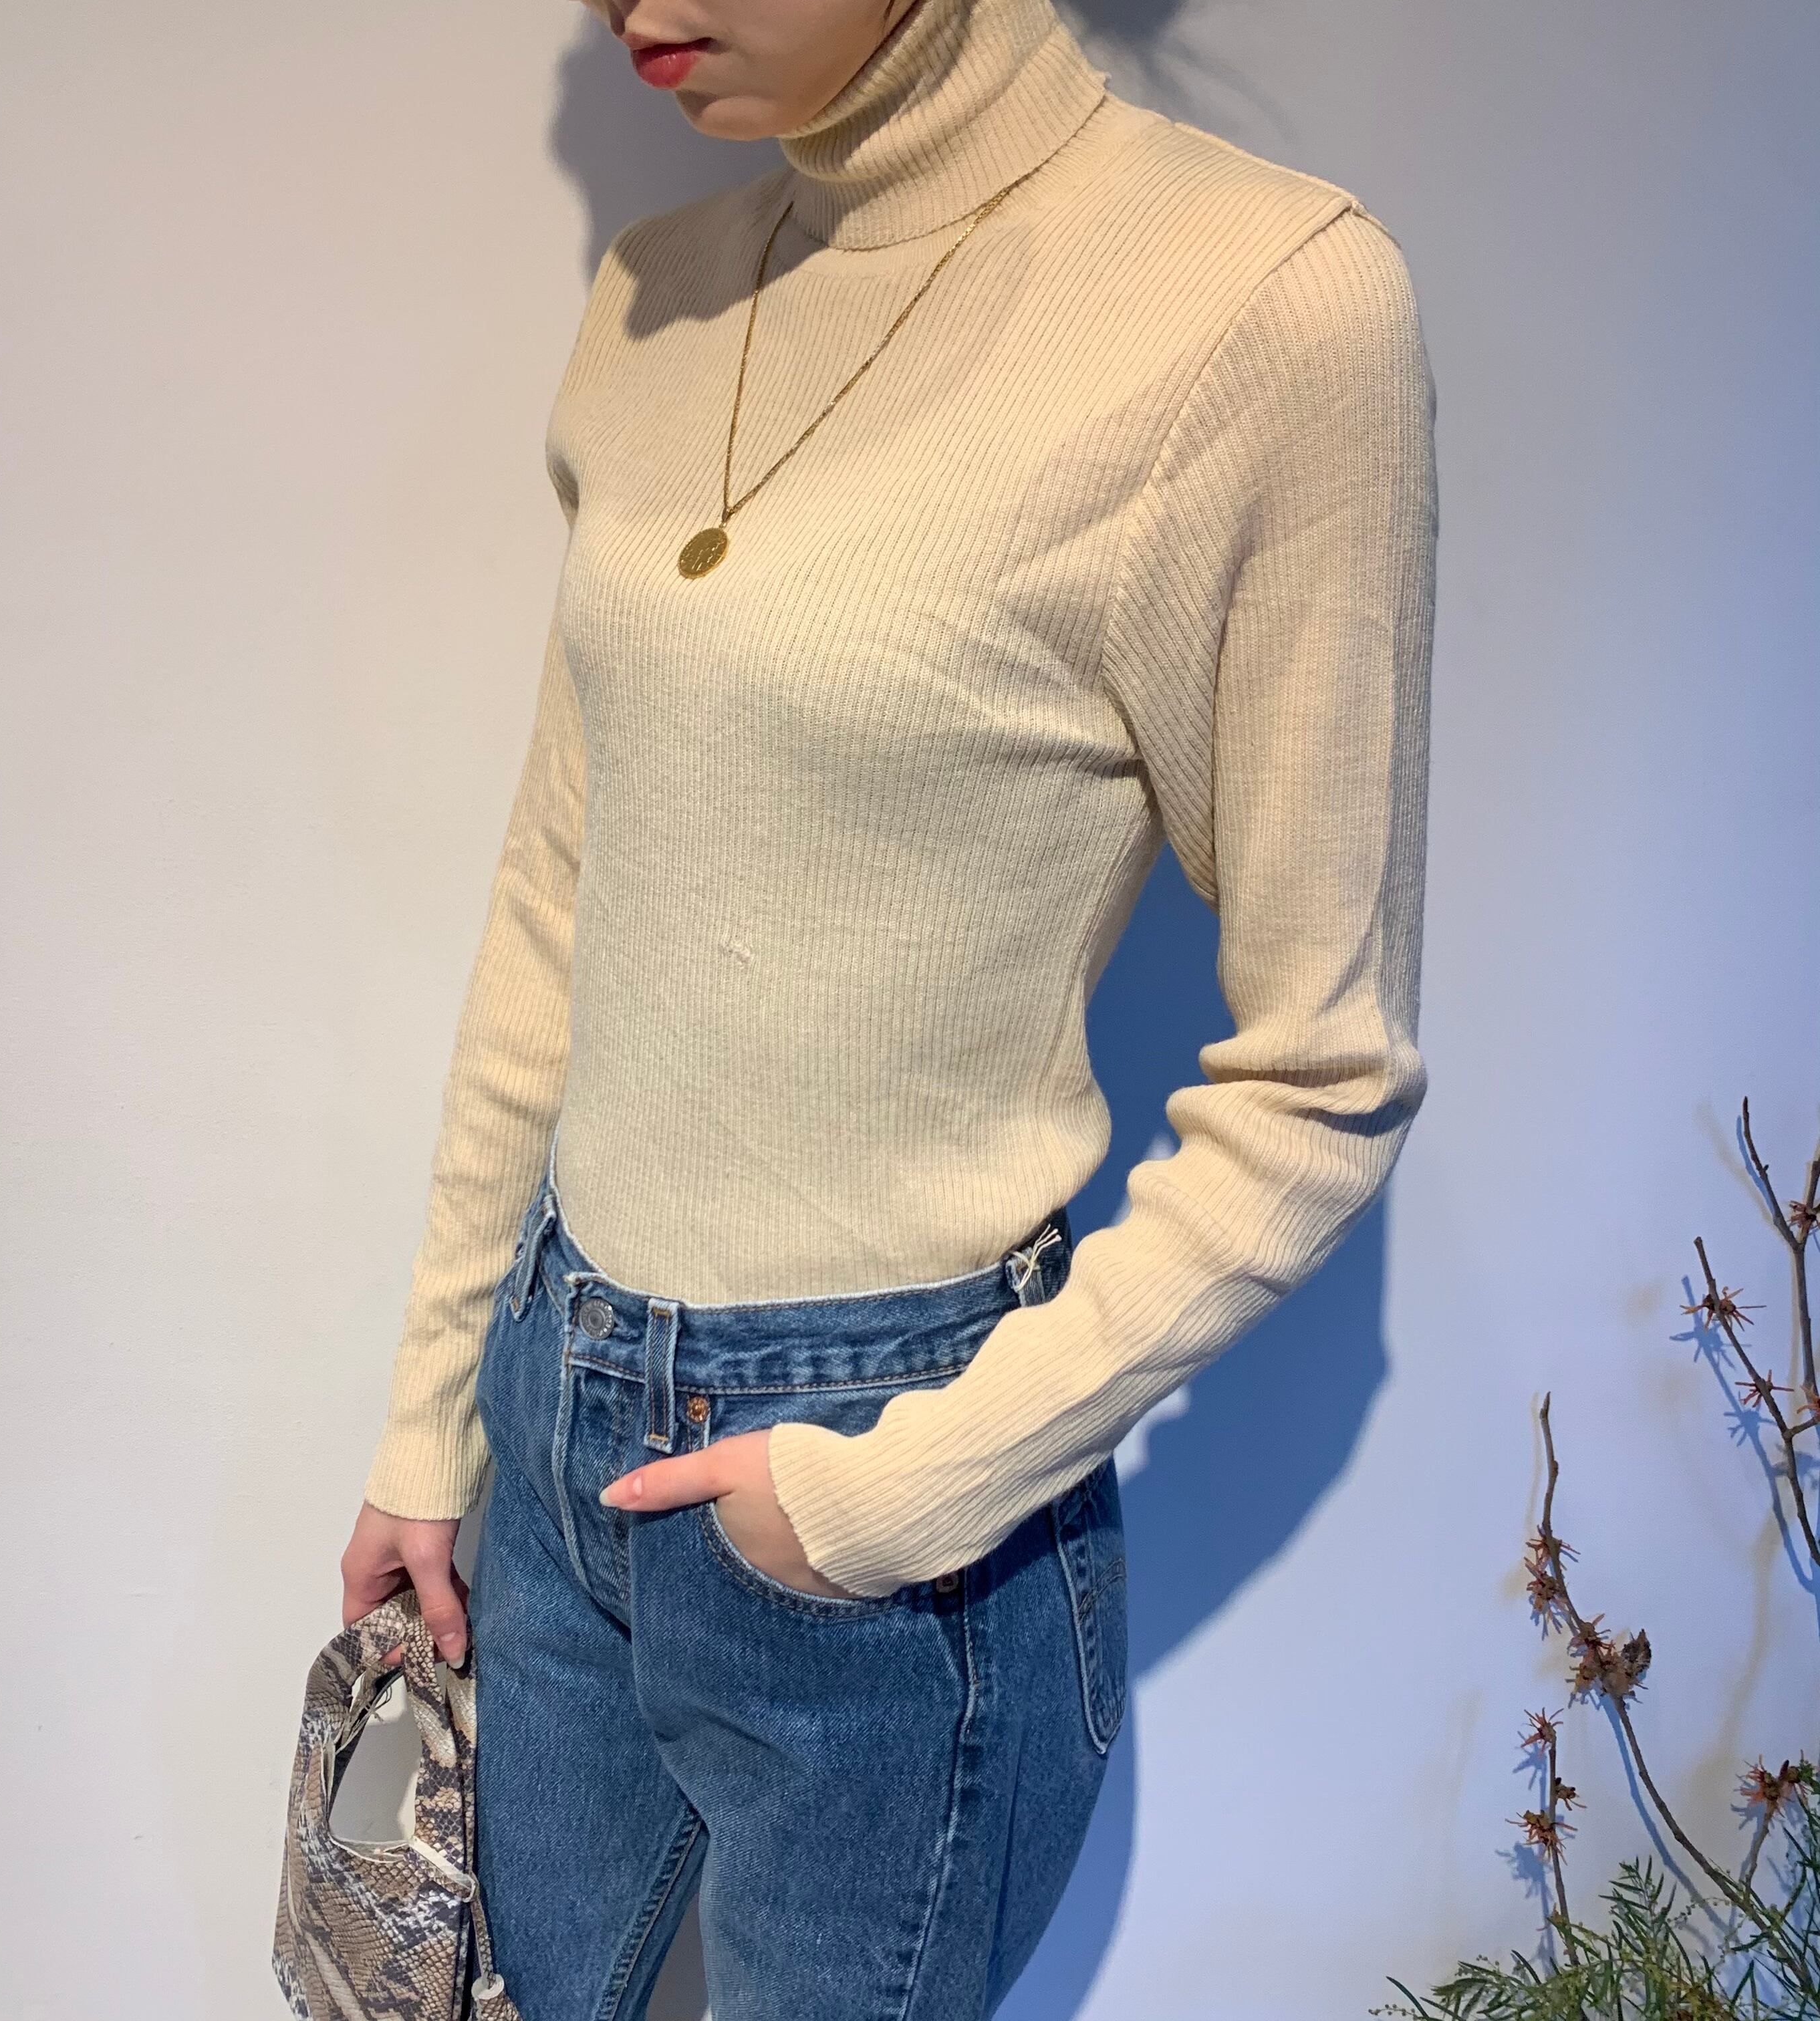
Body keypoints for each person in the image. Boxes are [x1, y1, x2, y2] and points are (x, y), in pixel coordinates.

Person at [338, 0, 1436, 2012]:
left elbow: (1322, 1080)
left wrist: (888, 1496)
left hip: (884, 1487)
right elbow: (562, 903)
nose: (631, 8)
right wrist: (432, 1420)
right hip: (553, 1401)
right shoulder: (656, 295)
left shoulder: (1262, 307)